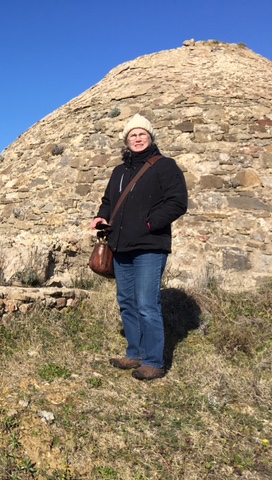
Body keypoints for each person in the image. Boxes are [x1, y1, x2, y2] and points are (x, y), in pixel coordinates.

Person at [90, 113, 188, 381]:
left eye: (142, 134)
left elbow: (178, 202)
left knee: (147, 304)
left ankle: (154, 361)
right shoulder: (119, 172)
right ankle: (135, 353)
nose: (137, 138)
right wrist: (102, 215)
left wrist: (148, 225)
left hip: (149, 246)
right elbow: (108, 201)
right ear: (126, 140)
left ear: (150, 137)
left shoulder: (164, 166)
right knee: (127, 302)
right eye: (133, 135)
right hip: (120, 246)